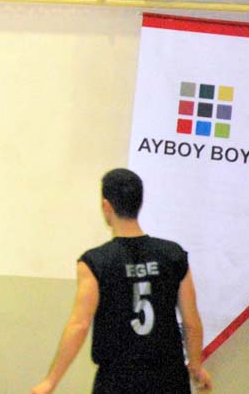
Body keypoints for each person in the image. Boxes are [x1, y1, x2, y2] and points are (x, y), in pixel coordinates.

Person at [31, 168, 213, 394]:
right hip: (169, 379)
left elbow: (80, 324)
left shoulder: (95, 262)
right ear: (139, 202)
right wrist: (196, 366)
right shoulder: (173, 255)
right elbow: (191, 321)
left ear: (106, 206)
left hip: (117, 380)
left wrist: (51, 381)